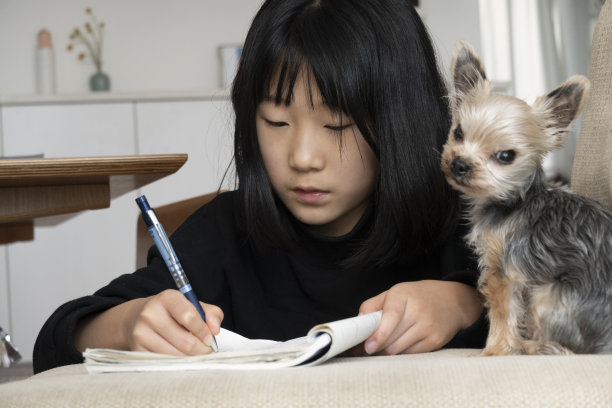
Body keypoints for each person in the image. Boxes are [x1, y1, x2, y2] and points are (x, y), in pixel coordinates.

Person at [33, 0, 487, 373]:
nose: (302, 158)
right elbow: (57, 339)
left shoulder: (467, 223)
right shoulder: (226, 233)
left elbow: (549, 321)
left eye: (336, 124)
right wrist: (128, 324)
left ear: (400, 120)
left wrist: (464, 303)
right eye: (276, 120)